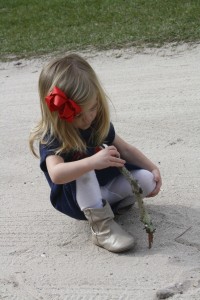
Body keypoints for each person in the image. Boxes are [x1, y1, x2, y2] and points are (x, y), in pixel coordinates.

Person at [29, 54, 162, 253]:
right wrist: (92, 162)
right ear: (57, 112)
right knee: (84, 167)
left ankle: (114, 207)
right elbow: (56, 174)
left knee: (146, 180)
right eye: (77, 115)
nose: (87, 119)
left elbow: (126, 149)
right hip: (78, 199)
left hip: (104, 188)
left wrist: (152, 167)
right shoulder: (54, 136)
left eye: (92, 108)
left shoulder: (96, 122)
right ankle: (102, 229)